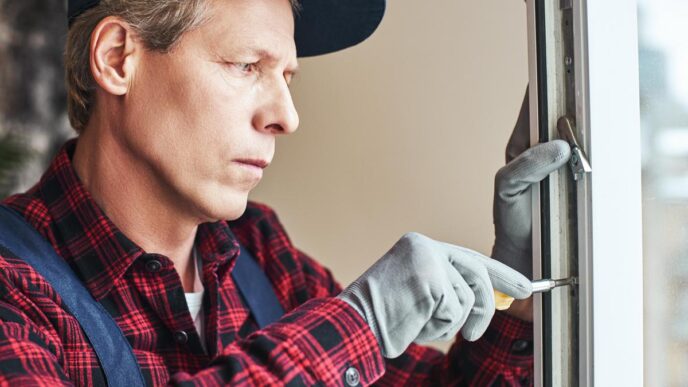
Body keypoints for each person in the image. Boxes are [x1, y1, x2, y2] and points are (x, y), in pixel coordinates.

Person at [0, 0, 570, 385]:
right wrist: (360, 325)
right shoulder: (12, 288)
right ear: (118, 59)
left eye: (287, 78)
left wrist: (521, 290)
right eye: (247, 66)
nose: (286, 116)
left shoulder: (260, 253)